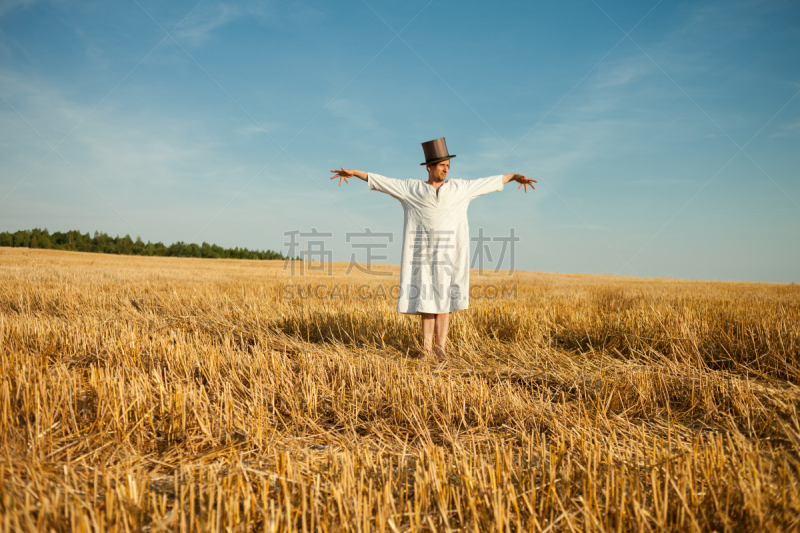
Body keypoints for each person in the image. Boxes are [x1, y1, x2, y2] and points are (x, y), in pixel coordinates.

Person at [331, 137, 536, 361]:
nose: (446, 170)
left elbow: (489, 182)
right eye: (442, 166)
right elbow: (381, 181)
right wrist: (354, 173)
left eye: (448, 166)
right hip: (423, 258)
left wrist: (514, 176)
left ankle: (441, 349)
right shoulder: (412, 189)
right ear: (429, 166)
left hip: (451, 257)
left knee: (445, 303)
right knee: (427, 303)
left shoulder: (460, 188)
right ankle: (426, 350)